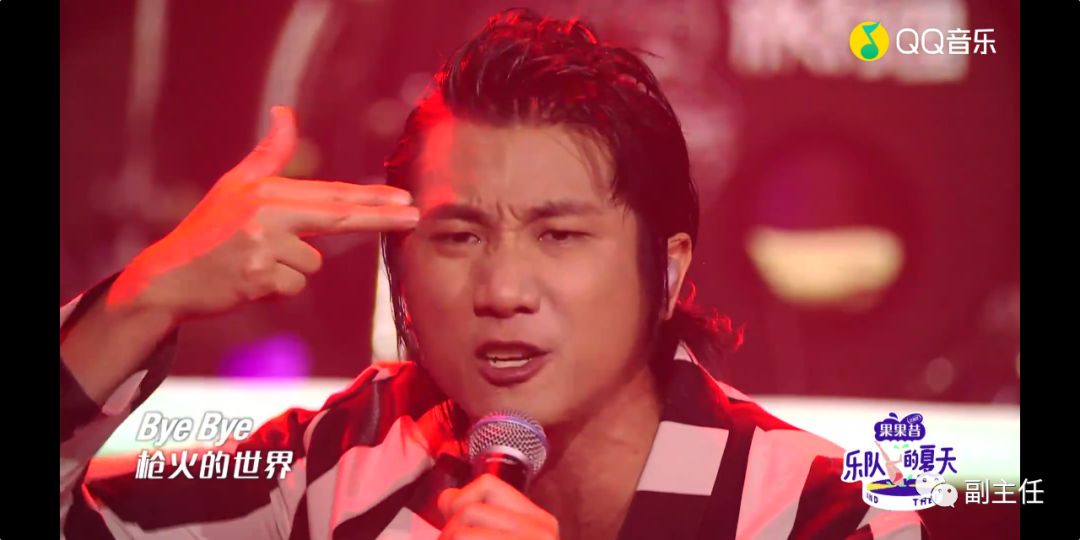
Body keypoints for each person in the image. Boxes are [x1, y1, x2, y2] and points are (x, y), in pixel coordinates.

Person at [60, 8, 931, 539]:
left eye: (559, 235)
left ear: (667, 271)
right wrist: (146, 294)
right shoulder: (336, 463)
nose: (503, 291)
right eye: (460, 235)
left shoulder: (828, 514)